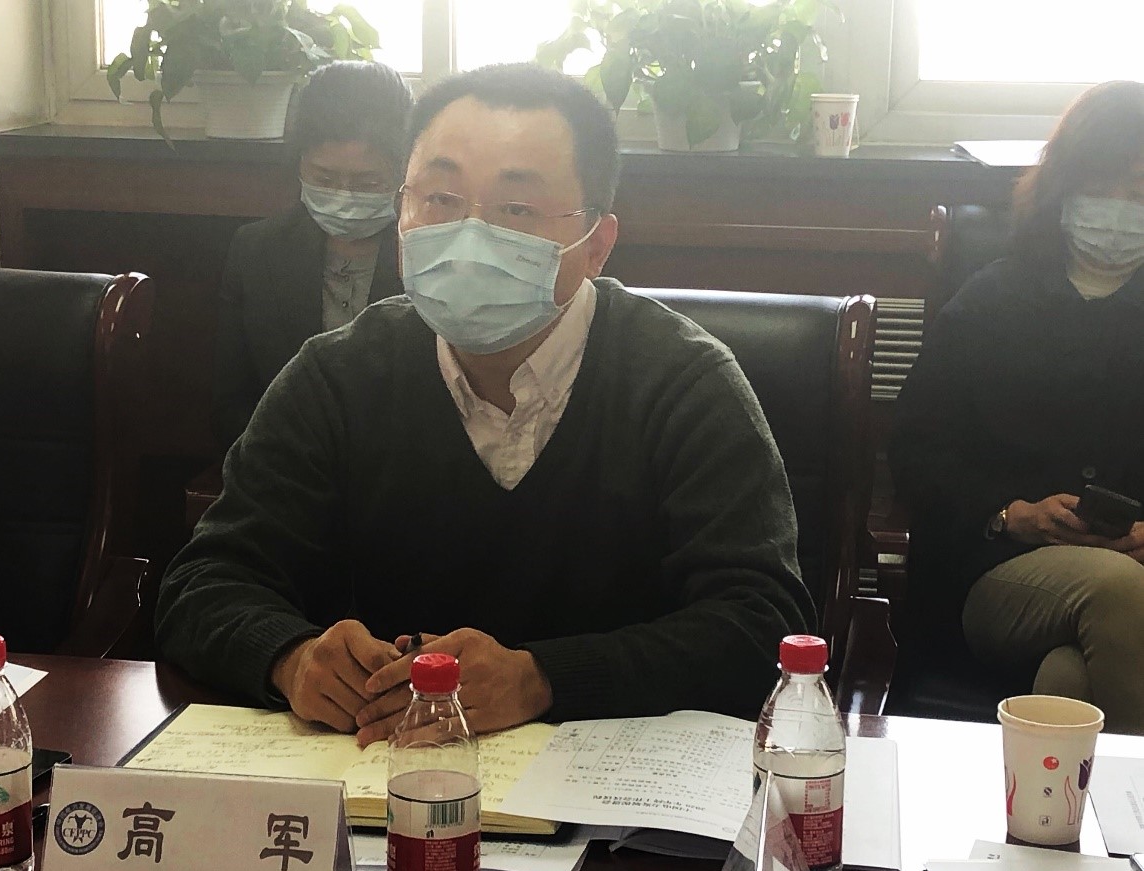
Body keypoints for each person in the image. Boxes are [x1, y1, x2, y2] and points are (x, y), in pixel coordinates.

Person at [158, 63, 814, 745]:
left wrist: (543, 678)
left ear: (597, 245)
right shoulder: (337, 376)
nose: (468, 234)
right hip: (379, 775)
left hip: (607, 785)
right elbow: (202, 583)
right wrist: (289, 658)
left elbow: (763, 623)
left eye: (516, 209)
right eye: (439, 199)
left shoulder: (683, 383)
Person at [891, 80, 1144, 733]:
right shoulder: (990, 303)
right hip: (998, 571)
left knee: (1067, 680)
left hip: (1131, 578)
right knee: (1118, 589)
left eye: (1140, 193)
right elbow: (915, 453)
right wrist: (1010, 513)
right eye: (1101, 188)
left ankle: (1060, 801)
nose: (1120, 210)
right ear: (1063, 188)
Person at [212, 60, 413, 453]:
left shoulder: (430, 255)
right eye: (325, 179)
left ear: (405, 172)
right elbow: (231, 405)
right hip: (282, 466)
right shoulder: (256, 251)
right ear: (299, 162)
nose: (343, 196)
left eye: (367, 182)